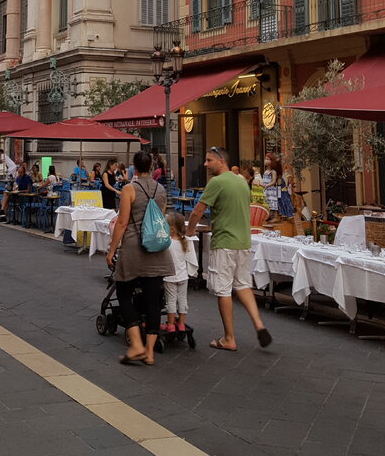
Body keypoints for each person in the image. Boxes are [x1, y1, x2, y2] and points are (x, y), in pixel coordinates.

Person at [188, 147, 272, 352]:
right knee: (243, 284)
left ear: (221, 161)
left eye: (209, 160)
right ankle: (258, 324)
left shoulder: (216, 182)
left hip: (224, 241)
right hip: (243, 242)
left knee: (223, 289)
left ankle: (229, 338)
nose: (205, 164)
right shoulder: (242, 182)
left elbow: (198, 211)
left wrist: (189, 231)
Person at [105, 150, 173, 366]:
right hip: (157, 250)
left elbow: (122, 222)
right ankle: (150, 352)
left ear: (134, 167)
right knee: (153, 300)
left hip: (134, 248)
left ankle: (136, 344)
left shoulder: (129, 189)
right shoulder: (161, 189)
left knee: (124, 292)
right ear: (151, 167)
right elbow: (160, 216)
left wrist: (111, 250)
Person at [163, 211, 198, 333]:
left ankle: (170, 324)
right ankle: (181, 324)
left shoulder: (167, 242)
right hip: (183, 276)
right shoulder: (185, 241)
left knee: (171, 301)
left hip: (169, 276)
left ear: (171, 229)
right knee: (183, 300)